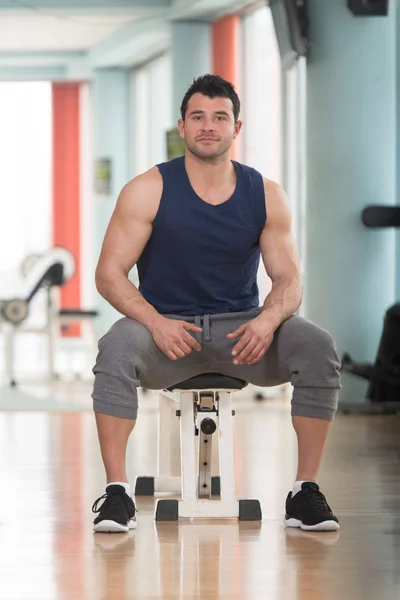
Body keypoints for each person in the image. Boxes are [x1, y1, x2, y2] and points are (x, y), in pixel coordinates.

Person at [91, 74, 341, 534]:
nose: (209, 126)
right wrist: (155, 321)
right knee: (116, 348)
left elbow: (288, 279)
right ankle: (117, 493)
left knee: (316, 344)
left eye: (220, 117)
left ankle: (304, 490)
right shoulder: (148, 189)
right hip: (163, 334)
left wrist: (268, 321)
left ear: (236, 128)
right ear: (182, 127)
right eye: (199, 117)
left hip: (242, 334)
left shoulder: (265, 194)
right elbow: (108, 274)